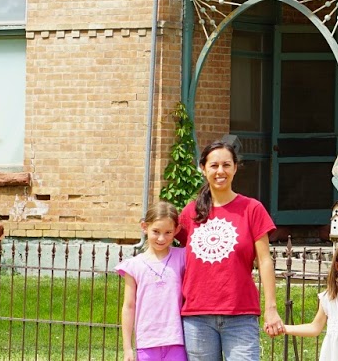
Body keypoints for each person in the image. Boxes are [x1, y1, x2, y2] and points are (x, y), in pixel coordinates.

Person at [176, 137, 284, 360]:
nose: (220, 171)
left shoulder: (252, 209)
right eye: (214, 165)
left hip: (240, 314)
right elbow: (169, 249)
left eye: (226, 165)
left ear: (235, 168)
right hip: (197, 316)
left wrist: (271, 308)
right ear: (203, 168)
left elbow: (264, 261)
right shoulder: (190, 213)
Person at [117, 201, 188, 361]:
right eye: (156, 231)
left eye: (168, 232)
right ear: (144, 226)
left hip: (177, 341)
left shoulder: (182, 257)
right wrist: (127, 348)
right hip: (147, 343)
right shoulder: (133, 266)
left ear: (176, 230)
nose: (162, 238)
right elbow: (129, 306)